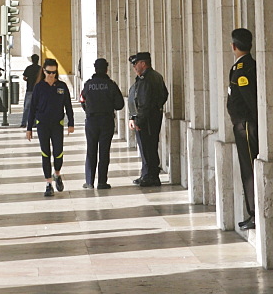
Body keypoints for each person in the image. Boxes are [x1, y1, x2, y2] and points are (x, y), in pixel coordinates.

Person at [26, 58, 74, 197]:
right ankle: (48, 183)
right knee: (45, 153)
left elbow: (68, 106)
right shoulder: (39, 87)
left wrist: (71, 123)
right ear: (44, 71)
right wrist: (29, 128)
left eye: (54, 72)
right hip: (42, 124)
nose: (51, 75)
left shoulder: (62, 86)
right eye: (49, 72)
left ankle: (57, 174)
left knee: (58, 152)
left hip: (57, 124)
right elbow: (32, 108)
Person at [227, 27, 258, 230]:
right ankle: (251, 212)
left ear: (234, 46)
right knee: (246, 168)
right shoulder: (242, 66)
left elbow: (250, 100)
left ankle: (254, 213)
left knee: (248, 170)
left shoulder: (243, 68)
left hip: (245, 126)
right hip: (243, 125)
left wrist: (252, 123)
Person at [80, 58, 124, 189]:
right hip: (106, 121)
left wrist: (89, 110)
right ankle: (102, 182)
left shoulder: (88, 85)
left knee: (91, 150)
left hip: (92, 121)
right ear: (106, 69)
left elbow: (82, 100)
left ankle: (89, 181)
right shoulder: (111, 85)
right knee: (104, 151)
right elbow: (120, 104)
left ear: (95, 68)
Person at [127, 52, 169, 187]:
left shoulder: (147, 79)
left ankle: (150, 176)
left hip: (146, 120)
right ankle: (147, 173)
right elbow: (164, 95)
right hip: (152, 117)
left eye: (135, 64)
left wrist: (139, 120)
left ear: (143, 63)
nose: (134, 67)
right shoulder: (154, 76)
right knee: (149, 147)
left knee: (147, 148)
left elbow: (144, 102)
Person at [21, 53, 41, 128]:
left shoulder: (28, 68)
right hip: (38, 91)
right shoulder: (40, 69)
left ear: (32, 60)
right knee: (37, 107)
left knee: (27, 107)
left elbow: (24, 78)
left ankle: (23, 122)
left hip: (29, 89)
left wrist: (29, 80)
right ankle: (35, 123)